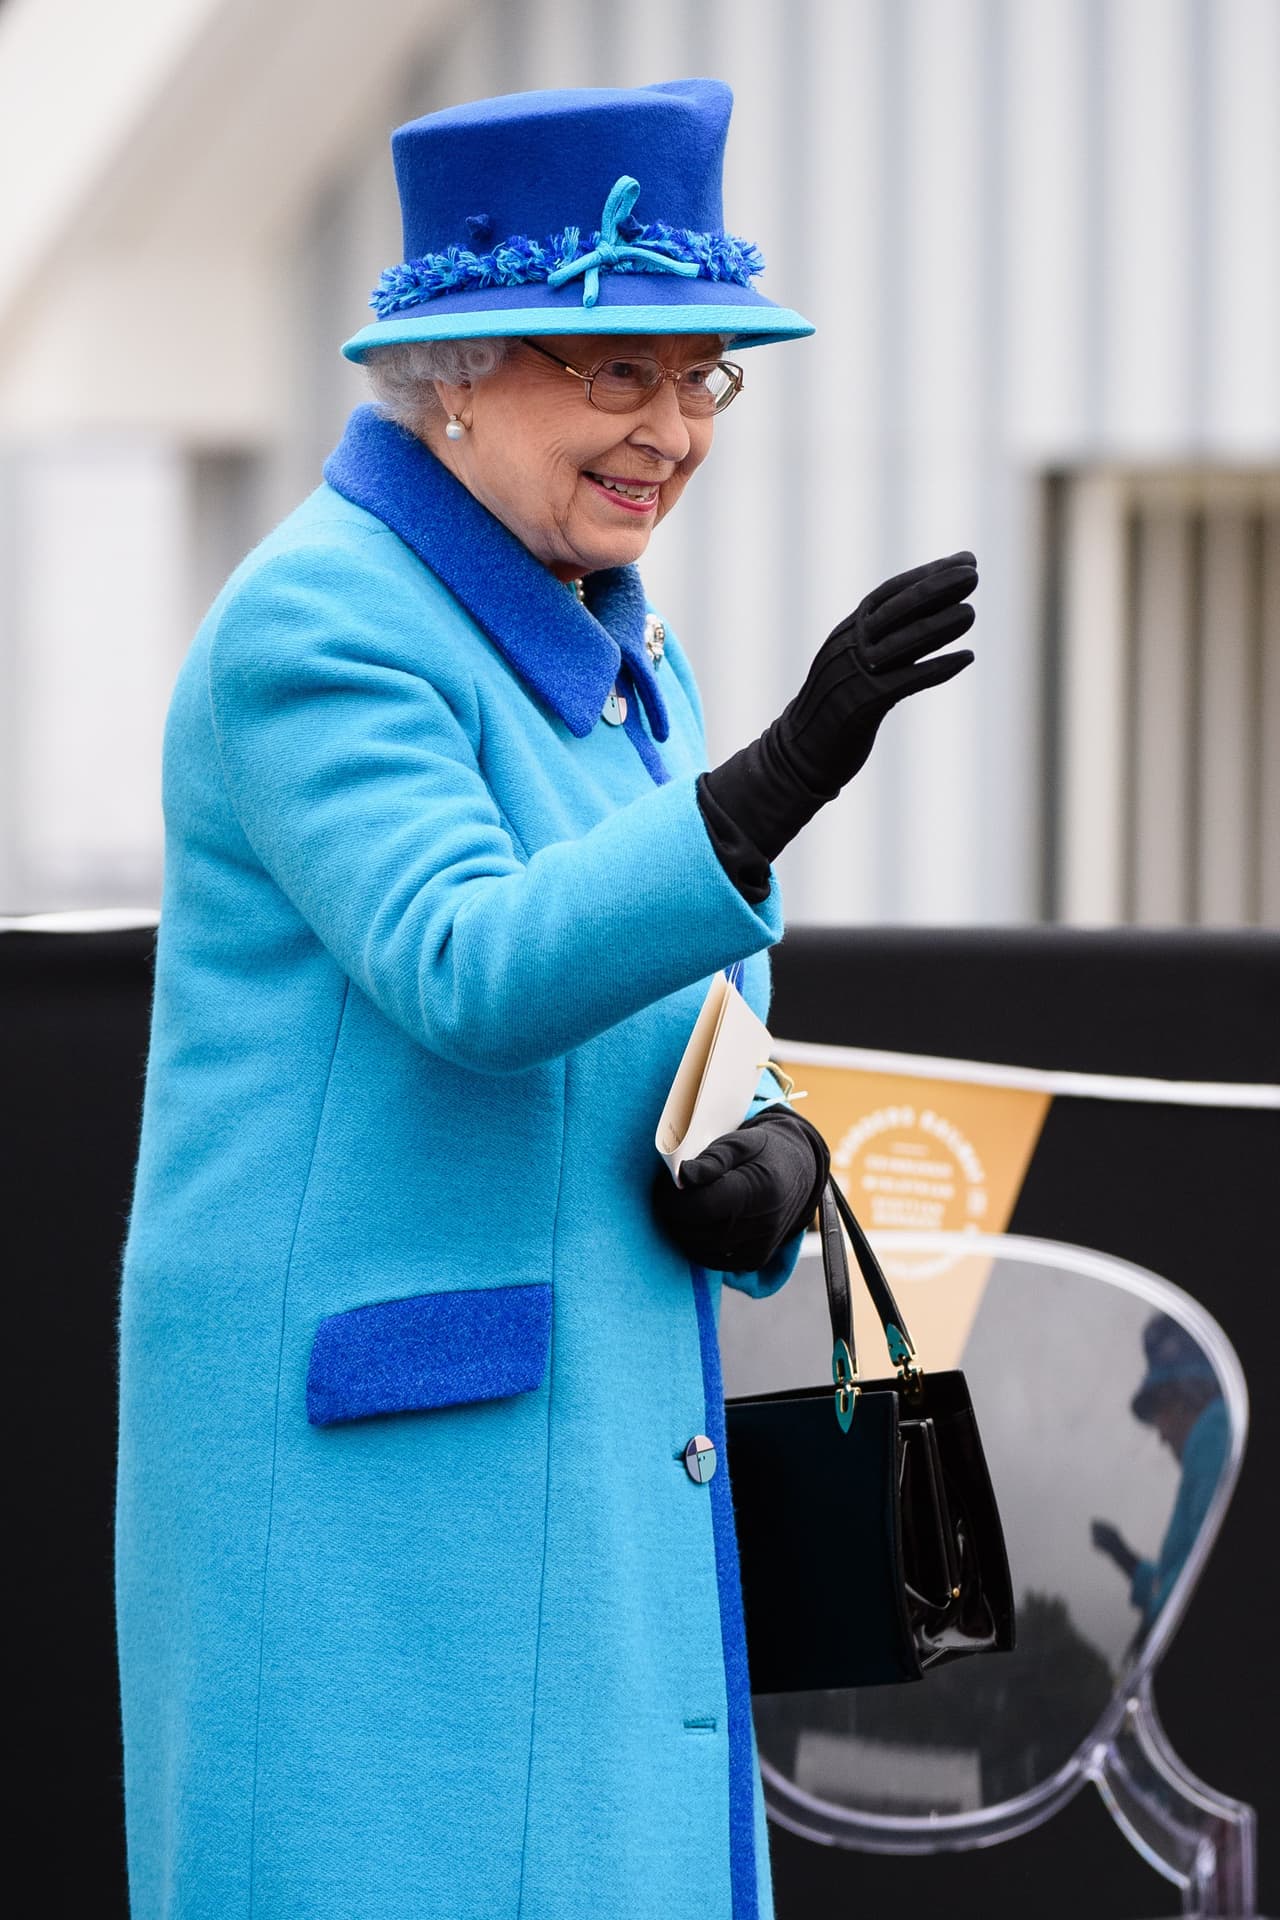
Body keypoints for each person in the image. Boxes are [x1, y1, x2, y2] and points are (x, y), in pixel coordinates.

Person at [116, 80, 977, 1920]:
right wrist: (776, 779)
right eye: (617, 376)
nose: (672, 429)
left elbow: (703, 1004)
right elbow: (471, 965)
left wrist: (771, 1160)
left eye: (703, 379)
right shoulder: (317, 627)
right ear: (453, 375)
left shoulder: (615, 630)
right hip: (387, 1518)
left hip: (585, 1472)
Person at [1091, 1313, 1229, 1640]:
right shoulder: (1220, 1435)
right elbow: (1175, 1576)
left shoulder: (1212, 1431)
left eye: (1158, 1413)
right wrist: (1123, 1556)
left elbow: (1203, 1577)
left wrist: (1155, 1624)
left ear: (1182, 1400)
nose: (1161, 1436)